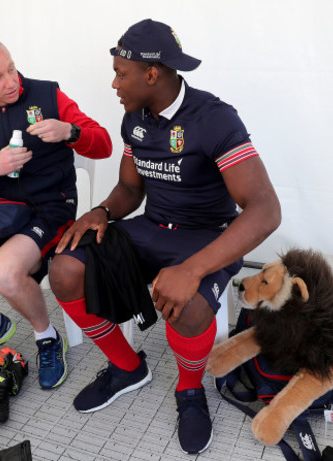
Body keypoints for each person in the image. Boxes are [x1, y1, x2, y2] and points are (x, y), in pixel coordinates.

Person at [48, 19, 281, 454]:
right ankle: (127, 367)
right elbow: (131, 189)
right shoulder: (133, 119)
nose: (114, 82)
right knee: (63, 268)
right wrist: (100, 211)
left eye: (121, 72)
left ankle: (190, 391)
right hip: (151, 229)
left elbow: (266, 210)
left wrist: (192, 270)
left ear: (151, 73)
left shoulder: (215, 119)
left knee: (189, 307)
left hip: (204, 239)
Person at [0, 37, 112, 390]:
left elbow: (104, 144)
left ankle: (47, 337)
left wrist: (71, 131)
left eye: (12, 69)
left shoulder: (49, 95)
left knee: (4, 272)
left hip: (50, 208)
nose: (12, 81)